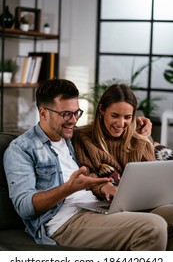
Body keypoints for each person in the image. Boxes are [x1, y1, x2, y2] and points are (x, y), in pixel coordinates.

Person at [3, 78, 169, 251]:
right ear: (43, 113)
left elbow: (109, 127)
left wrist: (136, 121)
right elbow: (24, 207)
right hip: (64, 222)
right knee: (152, 226)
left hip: (96, 208)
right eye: (66, 114)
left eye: (77, 113)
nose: (73, 120)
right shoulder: (21, 149)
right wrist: (69, 188)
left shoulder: (74, 137)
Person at [72, 83, 173, 250]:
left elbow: (153, 179)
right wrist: (104, 187)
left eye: (127, 117)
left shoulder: (140, 142)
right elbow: (86, 175)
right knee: (155, 225)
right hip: (109, 209)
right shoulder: (82, 138)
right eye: (115, 115)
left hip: (146, 206)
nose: (121, 123)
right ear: (101, 110)